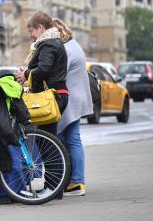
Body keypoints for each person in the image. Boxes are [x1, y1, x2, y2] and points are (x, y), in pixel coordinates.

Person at [54, 18, 93, 197]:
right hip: (77, 97)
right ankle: (74, 181)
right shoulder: (73, 44)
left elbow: (57, 72)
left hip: (70, 99)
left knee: (67, 139)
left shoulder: (66, 49)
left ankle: (75, 182)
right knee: (71, 138)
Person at [16, 10, 69, 135]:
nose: (30, 35)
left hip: (51, 95)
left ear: (40, 28)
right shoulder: (54, 41)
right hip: (56, 94)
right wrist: (28, 72)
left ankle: (58, 155)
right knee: (49, 137)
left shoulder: (48, 44)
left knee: (45, 139)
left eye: (31, 31)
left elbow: (44, 69)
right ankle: (59, 154)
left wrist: (26, 74)